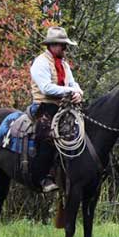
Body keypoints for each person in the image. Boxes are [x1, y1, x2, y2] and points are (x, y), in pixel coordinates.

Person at [29, 26, 83, 193]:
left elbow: (73, 83)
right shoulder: (40, 62)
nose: (65, 48)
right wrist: (70, 91)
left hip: (62, 107)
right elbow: (46, 88)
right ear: (52, 45)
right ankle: (43, 176)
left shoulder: (64, 64)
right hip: (43, 106)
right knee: (46, 134)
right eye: (62, 45)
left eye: (65, 45)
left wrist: (78, 92)